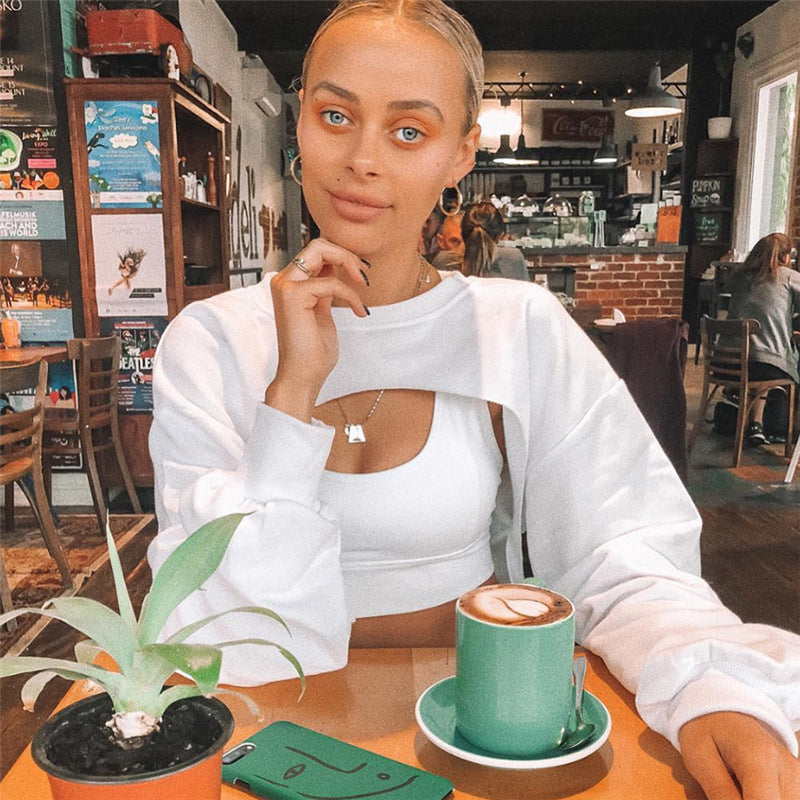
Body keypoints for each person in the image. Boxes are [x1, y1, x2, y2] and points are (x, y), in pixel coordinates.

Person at [147, 2, 800, 798]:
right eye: (335, 116)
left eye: (409, 131)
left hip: (474, 727)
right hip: (261, 731)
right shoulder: (210, 340)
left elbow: (622, 545)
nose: (361, 159)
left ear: (460, 154)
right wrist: (292, 392)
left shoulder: (515, 326)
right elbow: (213, 609)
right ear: (300, 125)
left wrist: (710, 687)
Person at [724, 232, 800, 445]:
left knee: (761, 358)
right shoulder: (788, 276)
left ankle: (756, 423)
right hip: (764, 365)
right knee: (778, 360)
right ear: (786, 257)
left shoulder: (739, 276)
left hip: (726, 363)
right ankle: (785, 428)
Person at [460, 200, 529, 281]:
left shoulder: (449, 260)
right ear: (499, 235)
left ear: (462, 233)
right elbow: (526, 288)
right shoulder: (513, 257)